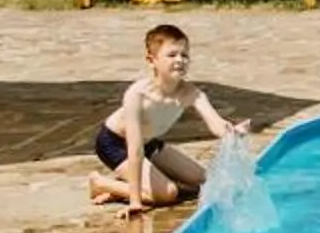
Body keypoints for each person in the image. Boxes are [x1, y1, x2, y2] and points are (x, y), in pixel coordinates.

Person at [90, 23, 251, 215]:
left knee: (205, 182)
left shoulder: (190, 92)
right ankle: (100, 183)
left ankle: (137, 183)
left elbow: (215, 123)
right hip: (116, 144)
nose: (180, 60)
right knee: (168, 194)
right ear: (152, 60)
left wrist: (231, 132)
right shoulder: (138, 95)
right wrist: (135, 201)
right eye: (172, 55)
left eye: (185, 55)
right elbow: (134, 149)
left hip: (149, 143)